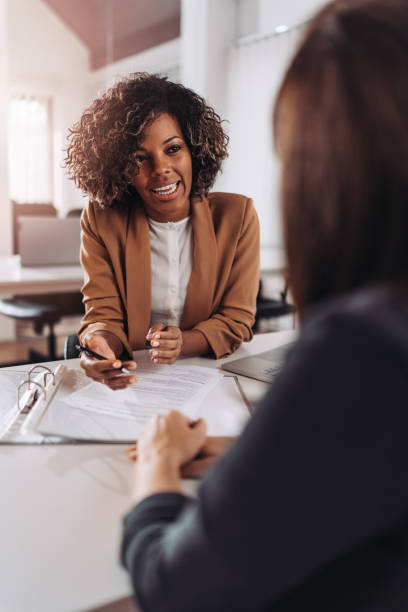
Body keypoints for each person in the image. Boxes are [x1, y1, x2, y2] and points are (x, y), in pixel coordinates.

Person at [120, 0, 408, 610]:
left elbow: (176, 589)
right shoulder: (108, 223)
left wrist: (159, 463)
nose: (160, 169)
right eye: (141, 158)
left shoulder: (361, 348)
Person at [65, 74, 260, 389]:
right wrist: (98, 346)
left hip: (212, 377)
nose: (160, 169)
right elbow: (103, 314)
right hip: (134, 382)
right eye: (140, 158)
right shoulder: (101, 220)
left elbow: (237, 320)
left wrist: (184, 342)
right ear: (118, 167)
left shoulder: (237, 217)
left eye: (173, 149)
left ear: (194, 150)